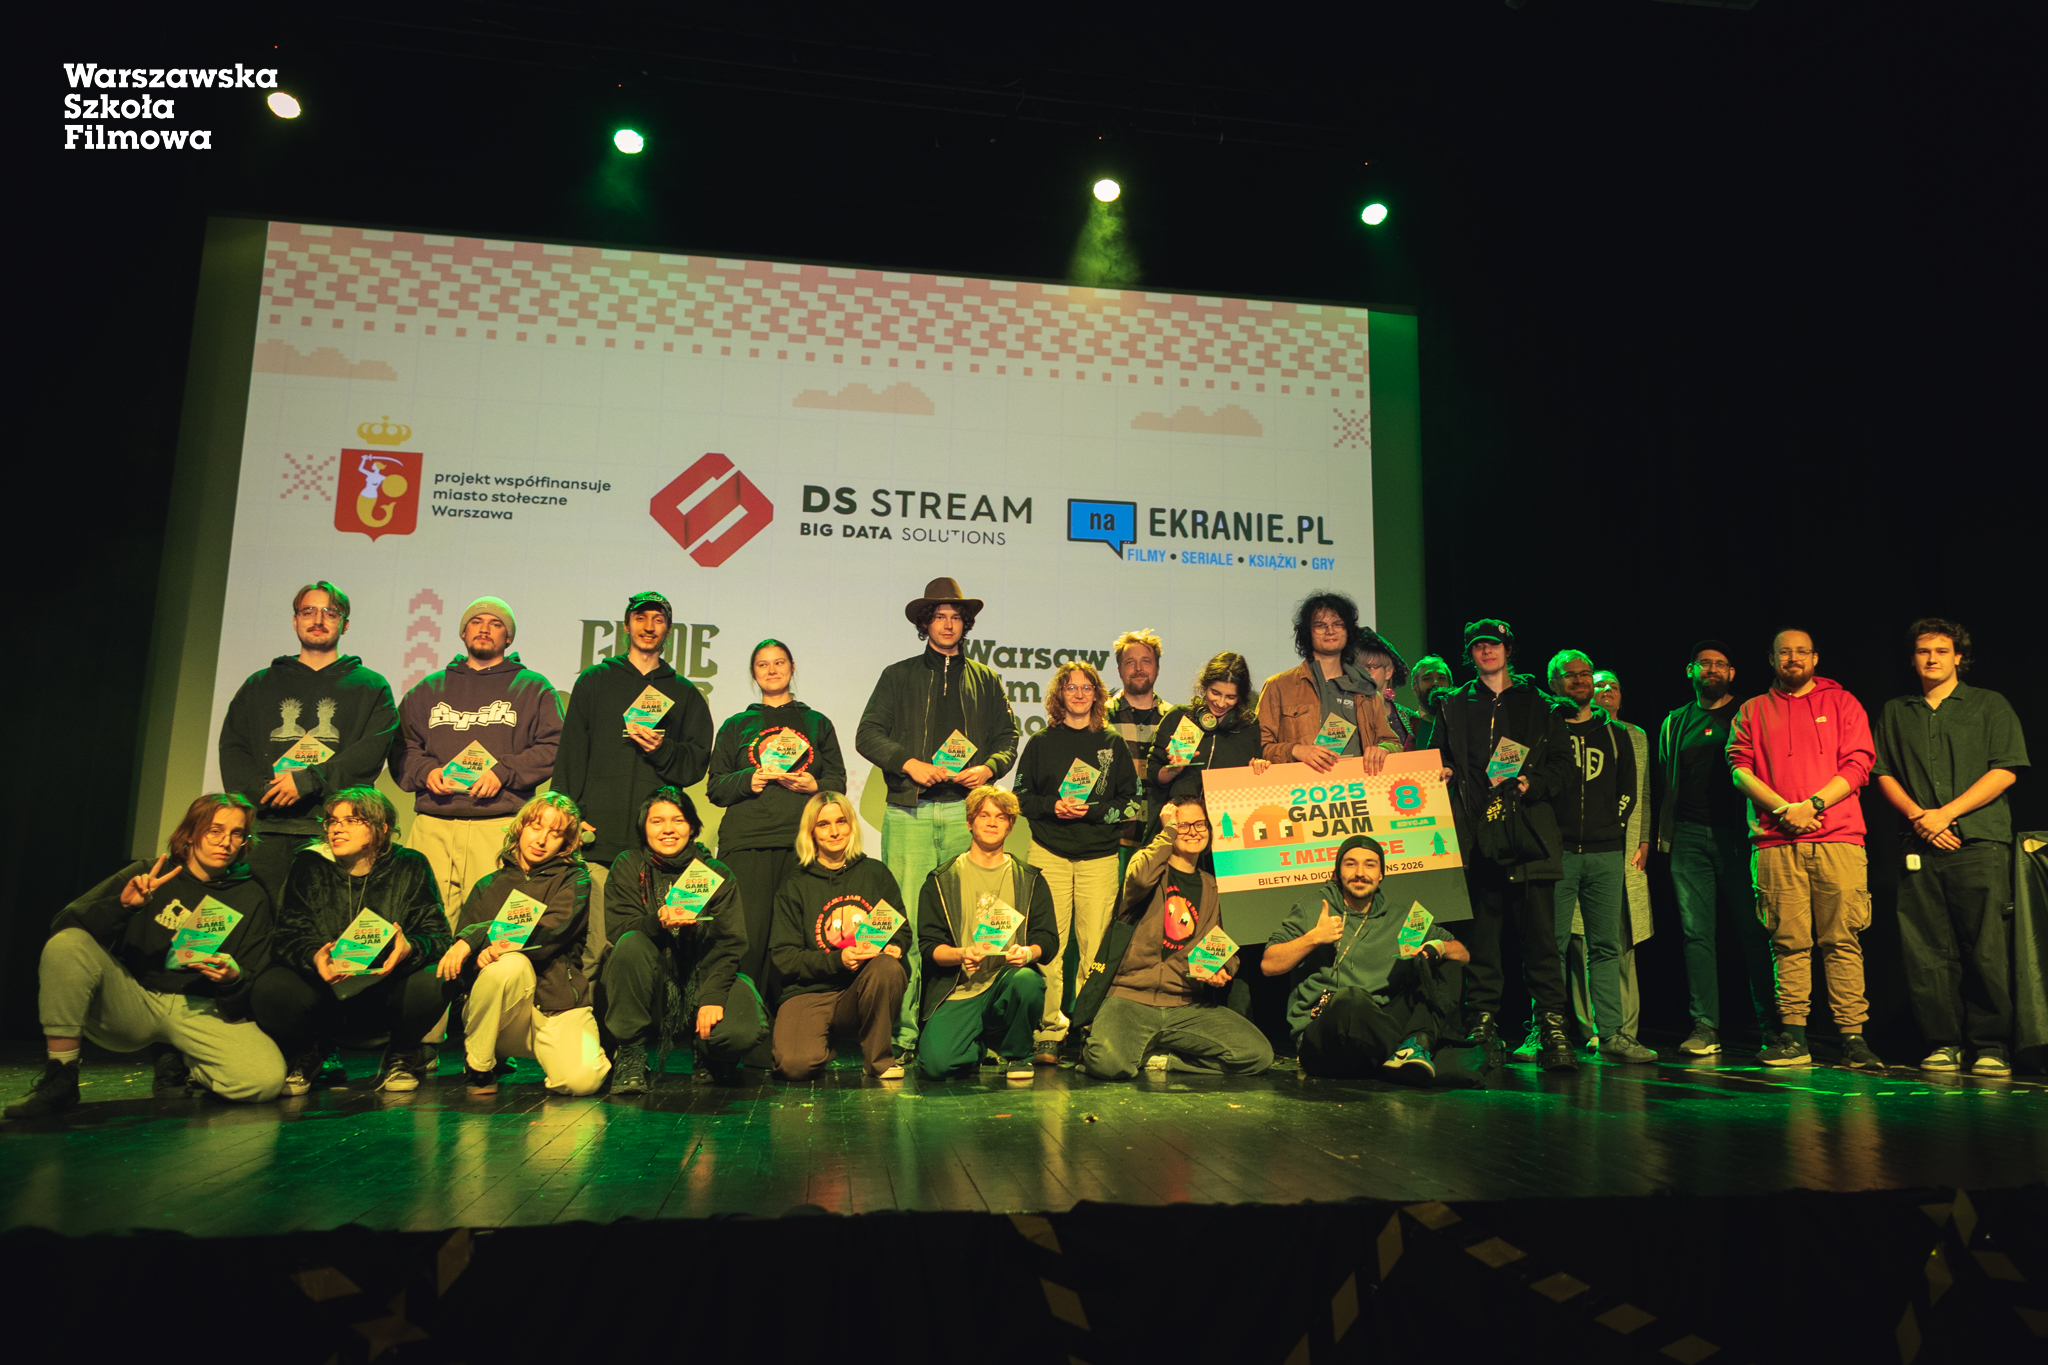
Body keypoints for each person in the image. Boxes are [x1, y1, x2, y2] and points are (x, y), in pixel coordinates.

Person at [6, 795, 285, 1119]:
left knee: (264, 1081)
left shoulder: (251, 895)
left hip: (200, 1008)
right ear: (190, 833)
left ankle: (188, 1063)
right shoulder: (148, 873)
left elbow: (250, 978)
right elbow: (65, 927)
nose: (226, 842)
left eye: (237, 834)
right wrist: (123, 907)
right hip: (135, 1000)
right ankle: (61, 1076)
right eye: (215, 831)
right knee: (68, 943)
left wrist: (233, 978)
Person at [855, 577, 1019, 1055]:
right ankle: (904, 1033)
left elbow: (1008, 739)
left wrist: (988, 768)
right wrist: (909, 764)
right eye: (939, 616)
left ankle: (967, 1030)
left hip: (965, 814)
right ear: (925, 623)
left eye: (955, 617)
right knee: (905, 922)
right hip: (909, 812)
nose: (947, 624)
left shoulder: (986, 680)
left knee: (973, 923)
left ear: (965, 624)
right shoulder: (898, 675)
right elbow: (868, 734)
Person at [1872, 618, 2029, 1076]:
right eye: (1924, 651)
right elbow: (1882, 772)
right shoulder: (1896, 711)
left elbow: (2005, 770)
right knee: (1926, 950)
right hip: (1918, 845)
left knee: (1985, 947)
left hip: (1979, 842)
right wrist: (1921, 818)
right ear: (1912, 659)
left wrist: (1947, 814)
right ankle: (1943, 1043)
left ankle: (1991, 1045)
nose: (1932, 658)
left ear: (1959, 657)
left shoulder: (1989, 705)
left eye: (1942, 651)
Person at [1729, 630, 1881, 1069]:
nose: (1793, 658)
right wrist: (1784, 810)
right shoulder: (1752, 710)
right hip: (1776, 842)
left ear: (1815, 658)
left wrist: (1811, 805)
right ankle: (1793, 1037)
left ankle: (1853, 1038)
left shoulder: (1843, 702)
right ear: (1772, 659)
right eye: (1784, 652)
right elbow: (1738, 769)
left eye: (1801, 651)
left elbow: (1859, 764)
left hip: (1838, 839)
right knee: (1788, 941)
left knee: (1842, 939)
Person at [1433, 619, 1577, 1071]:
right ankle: (1481, 1025)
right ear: (1470, 654)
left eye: (1493, 644)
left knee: (1540, 942)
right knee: (1482, 941)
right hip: (1477, 839)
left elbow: (1564, 767)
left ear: (1508, 650)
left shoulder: (1539, 704)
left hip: (1528, 836)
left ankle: (1552, 1028)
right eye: (1478, 646)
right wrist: (1443, 771)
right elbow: (1439, 757)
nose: (1487, 651)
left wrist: (1532, 784)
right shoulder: (1454, 704)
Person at [251, 786, 453, 1096]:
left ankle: (402, 1054)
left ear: (381, 829)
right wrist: (315, 957)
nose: (337, 828)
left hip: (387, 987)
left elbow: (437, 935)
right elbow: (288, 934)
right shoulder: (309, 863)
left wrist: (408, 949)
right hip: (325, 987)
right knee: (270, 986)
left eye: (351, 820)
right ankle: (307, 1053)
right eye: (332, 821)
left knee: (439, 976)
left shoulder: (409, 864)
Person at [217, 581, 398, 902]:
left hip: (333, 832)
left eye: (330, 612)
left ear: (345, 624)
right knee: (262, 921)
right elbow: (234, 749)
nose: (318, 619)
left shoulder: (371, 687)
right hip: (264, 831)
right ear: (295, 620)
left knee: (326, 922)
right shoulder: (259, 684)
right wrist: (266, 793)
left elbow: (369, 755)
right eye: (308, 611)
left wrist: (308, 781)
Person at [1076, 796, 1274, 1080]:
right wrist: (1167, 831)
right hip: (1129, 999)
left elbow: (1222, 943)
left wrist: (1221, 967)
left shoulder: (1212, 887)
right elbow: (1140, 878)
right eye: (1183, 825)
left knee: (1257, 1055)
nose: (1193, 831)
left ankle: (1163, 1059)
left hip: (1185, 1005)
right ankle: (1129, 1046)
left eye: (1199, 824)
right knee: (1108, 1064)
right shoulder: (1147, 869)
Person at [394, 597, 565, 926]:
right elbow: (402, 745)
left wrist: (503, 773)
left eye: (495, 624)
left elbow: (554, 746)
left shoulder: (533, 688)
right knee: (421, 922)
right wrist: (425, 771)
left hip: (497, 822)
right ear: (463, 632)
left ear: (508, 637)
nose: (485, 629)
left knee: (487, 924)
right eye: (476, 622)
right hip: (434, 824)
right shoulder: (428, 689)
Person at [436, 792, 609, 1097]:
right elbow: (462, 962)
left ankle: (534, 1053)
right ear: (520, 828)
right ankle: (480, 1065)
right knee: (509, 964)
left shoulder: (574, 880)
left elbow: (549, 934)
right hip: (502, 1013)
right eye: (535, 827)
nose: (541, 839)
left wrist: (481, 935)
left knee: (583, 1081)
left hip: (555, 1004)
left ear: (566, 843)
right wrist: (477, 957)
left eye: (554, 833)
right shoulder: (487, 885)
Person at [706, 638, 846, 1010]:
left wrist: (814, 785)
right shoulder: (737, 725)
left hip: (801, 843)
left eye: (779, 662)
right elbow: (716, 787)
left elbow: (838, 782)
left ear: (792, 667)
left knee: (795, 939)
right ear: (754, 674)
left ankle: (791, 1021)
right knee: (747, 938)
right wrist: (748, 779)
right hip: (747, 843)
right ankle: (743, 1018)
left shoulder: (816, 723)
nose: (772, 670)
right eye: (763, 664)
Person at [555, 591, 714, 916]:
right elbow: (571, 754)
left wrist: (662, 749)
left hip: (656, 846)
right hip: (597, 837)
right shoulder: (594, 681)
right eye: (640, 618)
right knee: (596, 935)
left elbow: (695, 764)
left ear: (668, 629)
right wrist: (570, 815)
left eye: (658, 620)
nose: (649, 626)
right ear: (626, 626)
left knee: (649, 933)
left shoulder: (685, 693)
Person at [1009, 662, 1136, 1062]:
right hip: (1049, 854)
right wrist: (1054, 806)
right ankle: (1049, 1030)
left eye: (1086, 687)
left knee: (1094, 948)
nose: (1079, 694)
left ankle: (1085, 1028)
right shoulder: (1041, 743)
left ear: (1097, 695)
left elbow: (1132, 803)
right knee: (1049, 945)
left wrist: (1091, 811)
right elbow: (1020, 798)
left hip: (1099, 857)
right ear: (1058, 695)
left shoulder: (1112, 744)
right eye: (1070, 687)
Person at [1263, 835, 1473, 1078]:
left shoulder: (1401, 917)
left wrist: (1439, 948)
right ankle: (1406, 1052)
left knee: (1447, 966)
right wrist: (1314, 938)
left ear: (1381, 874)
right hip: (1327, 1036)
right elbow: (1269, 965)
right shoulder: (1314, 907)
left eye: (1370, 865)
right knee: (1351, 999)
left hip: (1381, 1020)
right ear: (1337, 872)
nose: (1360, 873)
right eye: (1350, 864)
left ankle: (1414, 1045)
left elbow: (1463, 954)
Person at [602, 787, 769, 1092]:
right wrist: (657, 921)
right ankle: (631, 1053)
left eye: (678, 820)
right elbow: (618, 928)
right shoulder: (628, 865)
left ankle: (709, 1052)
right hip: (652, 984)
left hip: (704, 976)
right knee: (629, 944)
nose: (668, 829)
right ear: (643, 827)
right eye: (657, 821)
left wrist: (713, 996)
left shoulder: (715, 872)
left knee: (741, 1030)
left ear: (692, 826)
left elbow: (730, 942)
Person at [1656, 640, 1775, 1056]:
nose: (1712, 670)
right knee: (1696, 935)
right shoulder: (1676, 721)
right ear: (1690, 671)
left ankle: (1774, 1026)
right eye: (1704, 664)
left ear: (1732, 673)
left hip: (1739, 837)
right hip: (1688, 837)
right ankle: (1705, 1026)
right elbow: (1666, 781)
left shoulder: (1749, 713)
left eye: (1720, 664)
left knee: (1755, 931)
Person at [1536, 651, 1651, 1063]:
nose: (1580, 680)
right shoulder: (1544, 729)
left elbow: (1628, 791)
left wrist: (1610, 827)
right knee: (1550, 947)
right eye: (1570, 675)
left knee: (1605, 946)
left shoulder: (1616, 734)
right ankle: (1544, 1033)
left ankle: (1613, 1034)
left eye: (1585, 674)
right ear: (1554, 682)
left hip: (1605, 854)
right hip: (1558, 854)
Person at [915, 787, 1060, 1081]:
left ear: (1010, 826)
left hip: (1006, 983)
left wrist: (1028, 953)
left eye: (1001, 817)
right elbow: (929, 946)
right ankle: (977, 1047)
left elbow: (1048, 940)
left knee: (1027, 982)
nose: (992, 822)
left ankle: (1018, 1055)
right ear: (970, 822)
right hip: (960, 989)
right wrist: (960, 954)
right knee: (935, 1065)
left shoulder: (1030, 879)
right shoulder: (942, 880)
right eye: (984, 815)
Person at [768, 792, 912, 1080]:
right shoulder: (795, 884)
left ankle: (879, 1061)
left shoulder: (875, 873)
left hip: (861, 987)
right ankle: (819, 1045)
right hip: (810, 990)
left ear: (851, 825)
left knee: (887, 967)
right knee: (794, 1066)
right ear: (811, 831)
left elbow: (901, 930)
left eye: (841, 821)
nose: (834, 831)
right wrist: (838, 960)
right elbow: (785, 956)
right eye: (823, 824)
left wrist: (895, 946)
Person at [1573, 669, 1653, 1042]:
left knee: (1620, 939)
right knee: (1579, 940)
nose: (1607, 689)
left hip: (1624, 850)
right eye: (1600, 684)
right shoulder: (1570, 730)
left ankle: (1623, 1029)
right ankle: (1589, 1027)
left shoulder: (1635, 735)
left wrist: (1645, 840)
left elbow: (1644, 791)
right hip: (1582, 848)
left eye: (1614, 685)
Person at [1256, 593, 1401, 777]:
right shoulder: (1279, 686)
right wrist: (1296, 750)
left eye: (1338, 624)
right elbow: (1258, 748)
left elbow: (1393, 743)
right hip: (1301, 787)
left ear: (1348, 630)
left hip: (1358, 787)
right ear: (1307, 632)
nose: (1330, 631)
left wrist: (1384, 749)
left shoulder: (1366, 689)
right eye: (1320, 625)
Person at [1152, 652, 1272, 805]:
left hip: (1227, 815)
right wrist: (1174, 769)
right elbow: (1154, 775)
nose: (1221, 703)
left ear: (1240, 697)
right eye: (1215, 693)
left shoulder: (1248, 726)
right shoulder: (1181, 716)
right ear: (1205, 686)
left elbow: (1252, 783)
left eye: (1230, 697)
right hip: (1183, 815)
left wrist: (1259, 769)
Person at [1107, 629, 1166, 879]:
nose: (1139, 668)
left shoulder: (1175, 719)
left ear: (1157, 669)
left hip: (1159, 839)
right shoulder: (1099, 718)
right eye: (1130, 662)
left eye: (1146, 661)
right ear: (1119, 670)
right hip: (1111, 839)